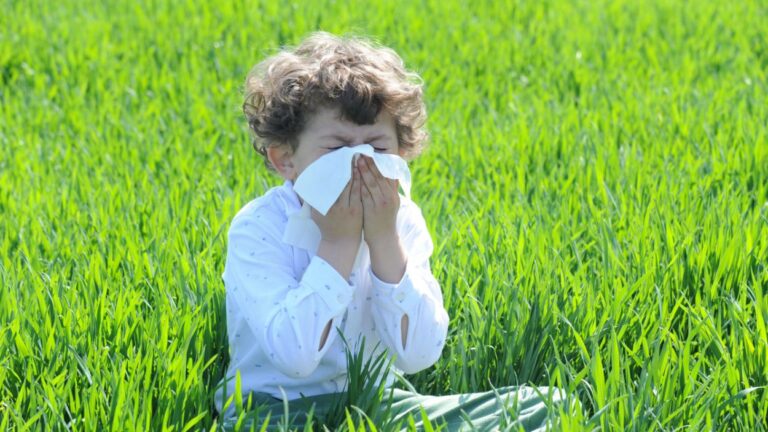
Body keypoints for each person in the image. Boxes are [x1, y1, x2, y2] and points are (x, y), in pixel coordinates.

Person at [215, 32, 567, 431]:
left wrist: (384, 240)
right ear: (286, 160)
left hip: (376, 405)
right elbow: (294, 357)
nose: (361, 162)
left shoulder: (401, 221)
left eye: (378, 149)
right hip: (274, 412)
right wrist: (339, 242)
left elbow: (418, 355)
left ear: (401, 154)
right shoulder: (259, 227)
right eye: (337, 149)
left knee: (548, 405)